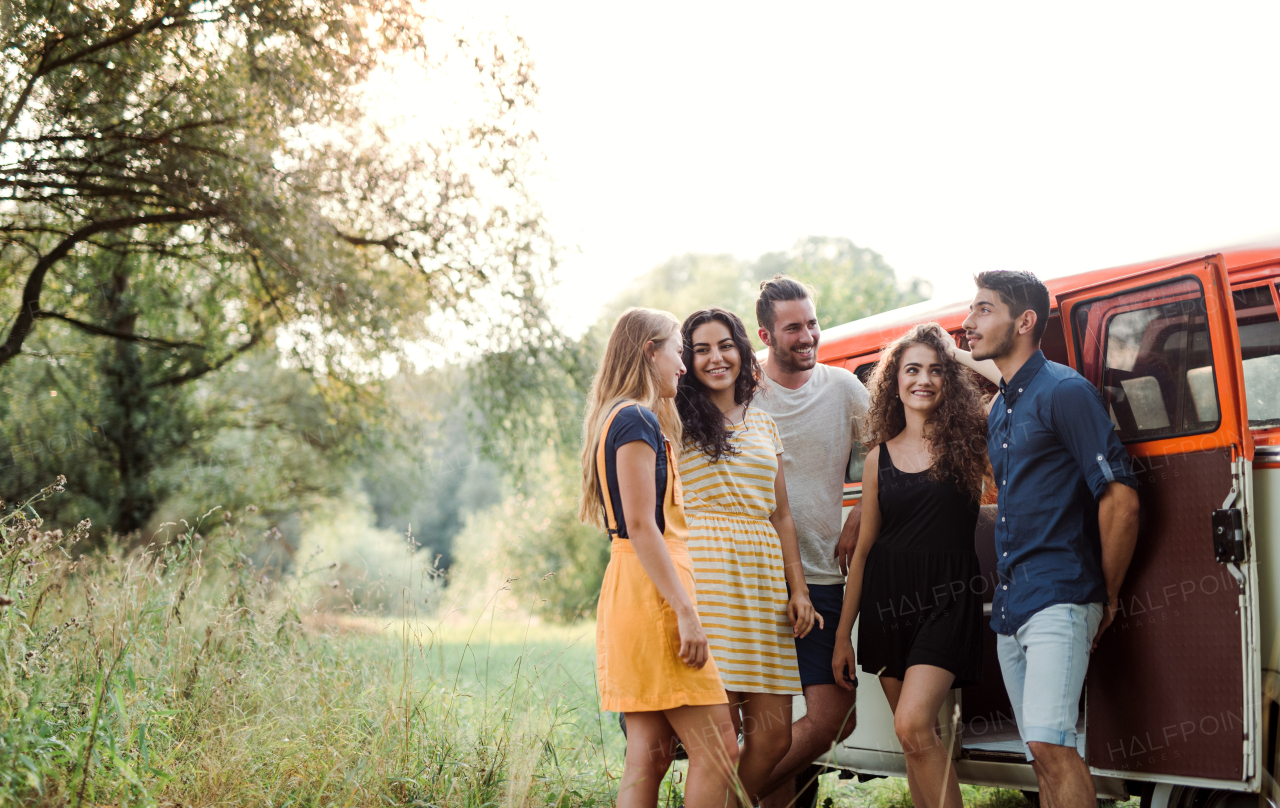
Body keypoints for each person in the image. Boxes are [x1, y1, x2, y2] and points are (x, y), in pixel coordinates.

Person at [953, 271, 1140, 808]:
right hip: (1011, 607)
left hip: (1061, 595)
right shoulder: (1002, 408)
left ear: (1025, 320)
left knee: (1049, 743)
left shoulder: (1064, 391)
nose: (968, 323)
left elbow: (1120, 498)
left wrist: (1105, 592)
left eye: (983, 310)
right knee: (1042, 753)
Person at [579, 307, 740, 808]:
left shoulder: (622, 417)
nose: (683, 365)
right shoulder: (634, 418)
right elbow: (642, 525)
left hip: (635, 592)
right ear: (650, 351)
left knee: (647, 757)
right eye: (677, 349)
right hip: (654, 602)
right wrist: (687, 614)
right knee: (719, 751)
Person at [830, 323, 989, 808]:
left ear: (950, 381)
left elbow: (1010, 380)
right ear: (893, 381)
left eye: (936, 371)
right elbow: (864, 551)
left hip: (948, 597)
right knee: (914, 741)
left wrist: (955, 352)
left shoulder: (970, 443)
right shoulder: (879, 456)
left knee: (914, 724)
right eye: (912, 369)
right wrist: (843, 635)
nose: (924, 380)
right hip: (886, 604)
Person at [675, 307, 821, 804]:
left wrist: (798, 589)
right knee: (720, 734)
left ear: (741, 349)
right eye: (701, 350)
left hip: (763, 583)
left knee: (775, 735)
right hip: (708, 573)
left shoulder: (764, 424)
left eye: (724, 345)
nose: (716, 358)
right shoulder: (674, 420)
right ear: (687, 360)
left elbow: (781, 515)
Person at [751, 276, 871, 807]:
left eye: (813, 323)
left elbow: (882, 455)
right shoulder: (742, 389)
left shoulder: (845, 389)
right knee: (769, 729)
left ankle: (721, 796)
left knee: (834, 717)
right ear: (765, 333)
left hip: (821, 575)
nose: (807, 336)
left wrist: (861, 507)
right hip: (754, 579)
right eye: (793, 327)